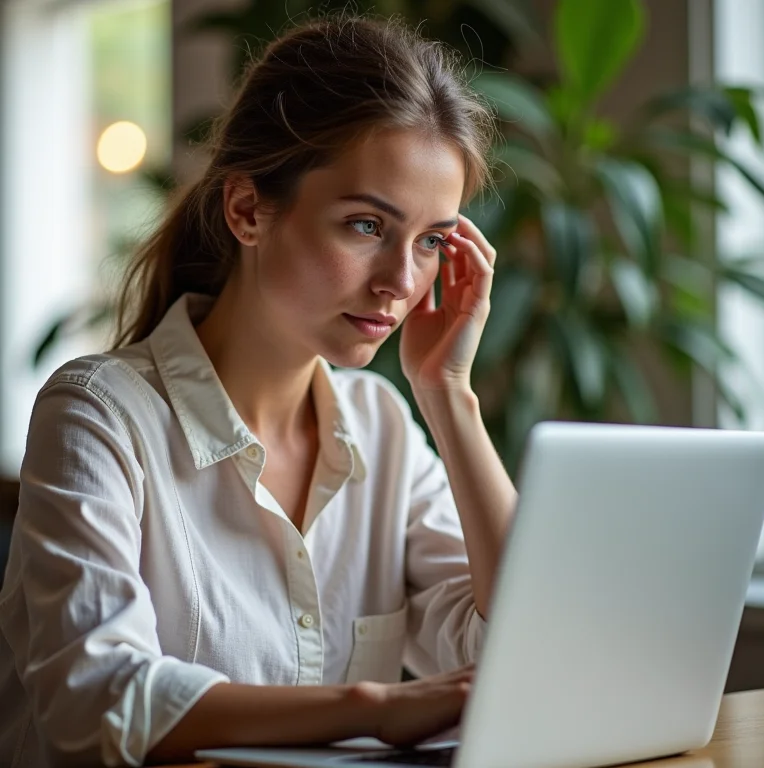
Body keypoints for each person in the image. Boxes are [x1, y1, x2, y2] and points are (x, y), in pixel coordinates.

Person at [0, 13, 517, 768]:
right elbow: (97, 698)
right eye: (367, 225)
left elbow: (512, 648)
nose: (402, 283)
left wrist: (450, 397)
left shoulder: (384, 427)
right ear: (247, 210)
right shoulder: (101, 416)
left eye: (433, 241)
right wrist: (374, 707)